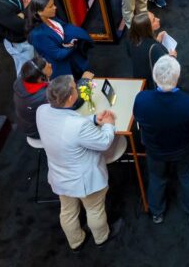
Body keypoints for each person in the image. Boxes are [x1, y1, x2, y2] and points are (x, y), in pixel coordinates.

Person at [36, 76, 123, 250]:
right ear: (70, 97)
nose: (77, 88)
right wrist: (108, 124)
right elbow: (104, 142)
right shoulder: (77, 126)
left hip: (59, 175)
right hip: (85, 180)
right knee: (94, 209)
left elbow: (67, 125)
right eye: (75, 87)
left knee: (67, 211)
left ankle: (75, 242)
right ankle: (101, 237)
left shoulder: (42, 110)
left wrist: (92, 119)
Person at [133, 56, 189, 224]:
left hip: (155, 150)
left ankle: (157, 212)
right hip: (185, 150)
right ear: (178, 76)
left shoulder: (141, 99)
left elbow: (138, 120)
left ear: (154, 76)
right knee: (188, 177)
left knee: (157, 178)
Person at [26, 0, 95, 80]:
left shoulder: (51, 17)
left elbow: (63, 27)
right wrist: (73, 46)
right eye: (50, 6)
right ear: (40, 12)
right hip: (64, 70)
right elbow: (58, 55)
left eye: (53, 4)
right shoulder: (38, 35)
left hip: (75, 61)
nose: (55, 7)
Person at [127, 11, 174, 88]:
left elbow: (131, 53)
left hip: (138, 79)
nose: (158, 19)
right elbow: (167, 67)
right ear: (147, 28)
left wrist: (157, 40)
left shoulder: (131, 38)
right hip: (151, 84)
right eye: (154, 20)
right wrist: (172, 56)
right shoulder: (154, 48)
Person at [13, 56, 51, 140]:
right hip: (37, 131)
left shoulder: (20, 81)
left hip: (26, 125)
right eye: (48, 66)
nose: (50, 65)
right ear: (41, 78)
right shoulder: (44, 96)